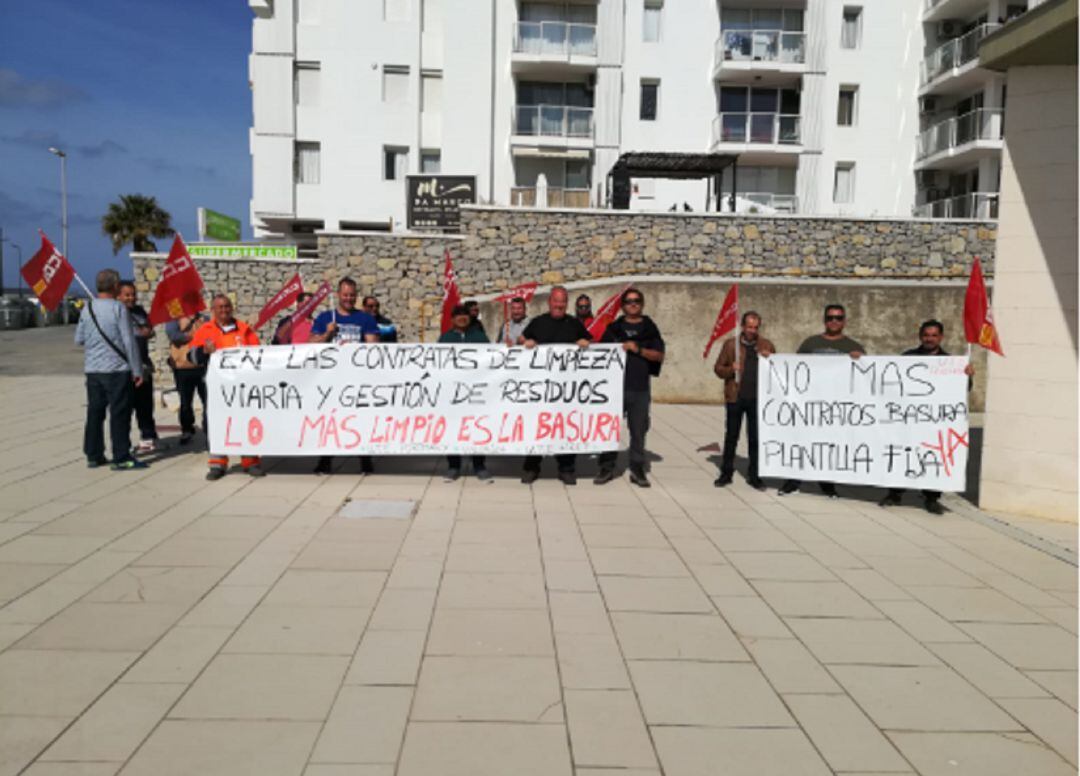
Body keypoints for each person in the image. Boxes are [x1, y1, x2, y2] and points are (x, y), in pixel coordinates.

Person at [879, 319, 975, 515]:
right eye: (926, 335)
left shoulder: (950, 363)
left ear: (940, 337)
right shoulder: (907, 357)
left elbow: (964, 389)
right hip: (909, 419)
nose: (929, 339)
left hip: (933, 423)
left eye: (934, 335)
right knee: (903, 456)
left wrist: (967, 375)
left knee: (933, 458)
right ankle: (895, 493)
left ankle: (931, 498)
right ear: (920, 336)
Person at [778, 303, 865, 498]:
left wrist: (861, 360)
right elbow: (794, 369)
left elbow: (864, 377)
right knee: (802, 443)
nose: (834, 321)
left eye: (838, 318)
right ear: (824, 320)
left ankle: (827, 484)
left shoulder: (853, 347)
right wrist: (769, 360)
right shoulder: (810, 343)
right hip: (809, 405)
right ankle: (792, 482)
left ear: (844, 321)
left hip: (835, 408)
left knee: (829, 445)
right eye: (830, 317)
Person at [74, 268, 147, 471]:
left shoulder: (87, 309)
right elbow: (128, 340)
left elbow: (78, 339)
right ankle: (121, 456)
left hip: (93, 371)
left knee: (95, 413)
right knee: (119, 414)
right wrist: (137, 370)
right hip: (117, 370)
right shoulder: (118, 308)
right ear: (115, 286)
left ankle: (94, 454)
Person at [188, 294, 264, 480]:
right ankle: (218, 463)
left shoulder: (244, 329)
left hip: (242, 387)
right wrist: (203, 351)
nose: (224, 310)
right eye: (219, 307)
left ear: (232, 308)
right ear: (213, 310)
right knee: (216, 424)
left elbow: (258, 353)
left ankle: (250, 461)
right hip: (216, 388)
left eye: (227, 306)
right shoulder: (205, 330)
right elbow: (191, 357)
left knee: (245, 421)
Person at [521, 286, 592, 485]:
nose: (559, 305)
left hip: (566, 391)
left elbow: (588, 342)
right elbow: (522, 340)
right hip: (540, 390)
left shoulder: (574, 323)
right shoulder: (537, 322)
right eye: (556, 301)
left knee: (566, 427)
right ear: (549, 302)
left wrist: (584, 342)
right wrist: (526, 341)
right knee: (537, 428)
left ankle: (566, 468)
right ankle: (531, 466)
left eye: (563, 302)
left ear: (566, 304)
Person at [594, 288, 665, 488]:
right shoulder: (614, 328)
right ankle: (606, 467)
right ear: (623, 305)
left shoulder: (650, 328)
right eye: (628, 301)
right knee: (610, 429)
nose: (632, 304)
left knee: (638, 430)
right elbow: (600, 353)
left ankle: (637, 469)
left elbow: (659, 356)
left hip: (640, 388)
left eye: (636, 301)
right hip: (615, 390)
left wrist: (638, 349)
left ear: (641, 304)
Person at [311, 277, 380, 474]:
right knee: (329, 419)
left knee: (360, 419)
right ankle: (325, 460)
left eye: (352, 295)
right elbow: (310, 343)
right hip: (330, 379)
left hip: (357, 378)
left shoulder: (365, 318)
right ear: (338, 295)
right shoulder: (325, 318)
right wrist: (327, 335)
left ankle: (365, 459)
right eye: (345, 295)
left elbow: (373, 346)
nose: (349, 298)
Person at [713, 311, 775, 491]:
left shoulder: (766, 345)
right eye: (749, 327)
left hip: (757, 399)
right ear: (742, 326)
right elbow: (718, 369)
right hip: (735, 397)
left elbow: (777, 370)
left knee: (755, 438)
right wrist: (731, 369)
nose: (752, 331)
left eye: (756, 327)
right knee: (731, 436)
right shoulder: (731, 345)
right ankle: (726, 473)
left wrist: (769, 359)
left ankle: (754, 475)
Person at [439, 305, 493, 482]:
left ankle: (479, 465)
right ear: (452, 319)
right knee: (452, 428)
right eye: (458, 315)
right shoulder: (445, 339)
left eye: (465, 315)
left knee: (477, 427)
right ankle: (453, 466)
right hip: (453, 393)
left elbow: (491, 358)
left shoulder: (479, 337)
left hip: (475, 392)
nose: (462, 318)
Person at [118, 281, 158, 453]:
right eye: (127, 295)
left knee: (145, 405)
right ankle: (122, 444)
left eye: (133, 294)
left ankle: (147, 438)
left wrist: (149, 332)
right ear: (118, 296)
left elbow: (150, 329)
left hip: (143, 365)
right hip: (125, 368)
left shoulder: (139, 311)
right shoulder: (117, 313)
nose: (131, 298)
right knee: (125, 408)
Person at [165, 312, 208, 445]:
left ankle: (208, 428)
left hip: (201, 366)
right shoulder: (174, 317)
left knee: (207, 400)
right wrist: (190, 335)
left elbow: (210, 334)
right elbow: (173, 336)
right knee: (185, 401)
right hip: (182, 367)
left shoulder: (203, 317)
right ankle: (187, 429)